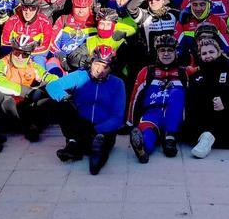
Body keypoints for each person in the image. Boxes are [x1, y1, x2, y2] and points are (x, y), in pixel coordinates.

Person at [49, 45, 125, 174]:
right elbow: (52, 86)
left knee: (97, 155)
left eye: (105, 67)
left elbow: (118, 117)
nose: (100, 70)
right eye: (97, 64)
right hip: (82, 125)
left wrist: (96, 130)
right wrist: (66, 98)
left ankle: (83, 149)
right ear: (91, 62)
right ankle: (73, 143)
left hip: (103, 129)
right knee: (63, 106)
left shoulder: (117, 83)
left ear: (111, 68)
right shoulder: (80, 76)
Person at [128, 34, 187, 162]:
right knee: (147, 140)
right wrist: (131, 123)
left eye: (170, 50)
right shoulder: (147, 71)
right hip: (151, 114)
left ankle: (170, 138)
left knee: (177, 93)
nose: (166, 54)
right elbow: (135, 97)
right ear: (157, 53)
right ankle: (142, 149)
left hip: (173, 116)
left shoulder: (183, 72)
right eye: (162, 50)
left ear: (176, 52)